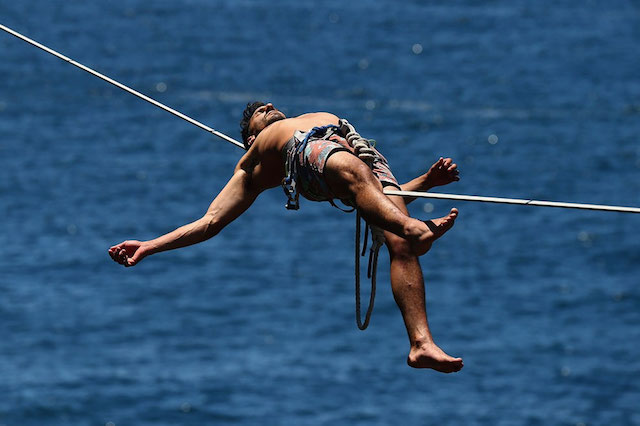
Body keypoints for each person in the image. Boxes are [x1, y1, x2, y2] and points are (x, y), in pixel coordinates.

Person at [109, 102, 463, 372]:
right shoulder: (255, 158)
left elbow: (372, 199)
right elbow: (210, 221)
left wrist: (427, 182)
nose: (269, 108)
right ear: (250, 138)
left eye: (269, 105)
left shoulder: (306, 117)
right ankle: (415, 229)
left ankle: (421, 343)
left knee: (398, 241)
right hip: (312, 152)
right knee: (393, 215)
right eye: (260, 113)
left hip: (361, 158)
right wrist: (149, 246)